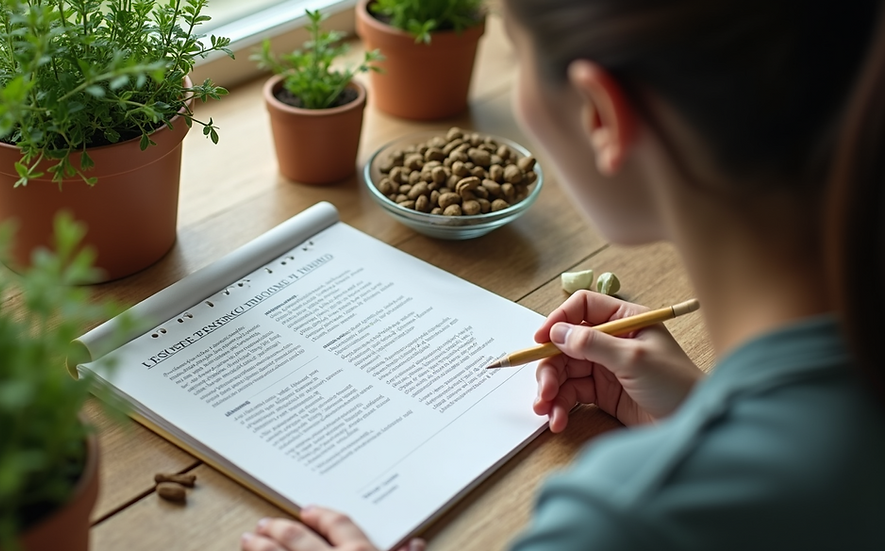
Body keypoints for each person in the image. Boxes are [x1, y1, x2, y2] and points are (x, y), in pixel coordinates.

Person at [240, 0, 885, 549]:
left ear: (599, 112)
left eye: (517, 55)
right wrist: (702, 416)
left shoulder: (620, 519)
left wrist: (697, 452)